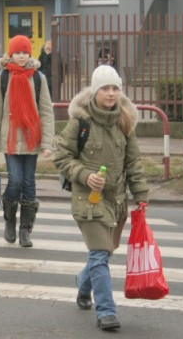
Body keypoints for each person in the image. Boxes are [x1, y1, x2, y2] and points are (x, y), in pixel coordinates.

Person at [52, 65, 150, 331]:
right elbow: (61, 157)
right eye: (105, 88)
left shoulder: (125, 120)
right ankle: (105, 311)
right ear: (95, 92)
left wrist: (140, 194)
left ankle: (83, 284)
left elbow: (133, 162)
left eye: (115, 88)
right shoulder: (80, 122)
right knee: (99, 254)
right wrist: (84, 175)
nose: (110, 94)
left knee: (103, 254)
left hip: (116, 200)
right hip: (88, 199)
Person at [0, 35, 55, 248]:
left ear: (29, 54)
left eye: (25, 53)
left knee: (29, 184)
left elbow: (46, 112)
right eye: (17, 53)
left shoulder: (38, 78)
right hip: (10, 139)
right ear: (10, 54)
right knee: (15, 181)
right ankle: (10, 219)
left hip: (32, 139)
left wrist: (48, 143)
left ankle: (25, 230)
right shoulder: (2, 79)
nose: (21, 57)